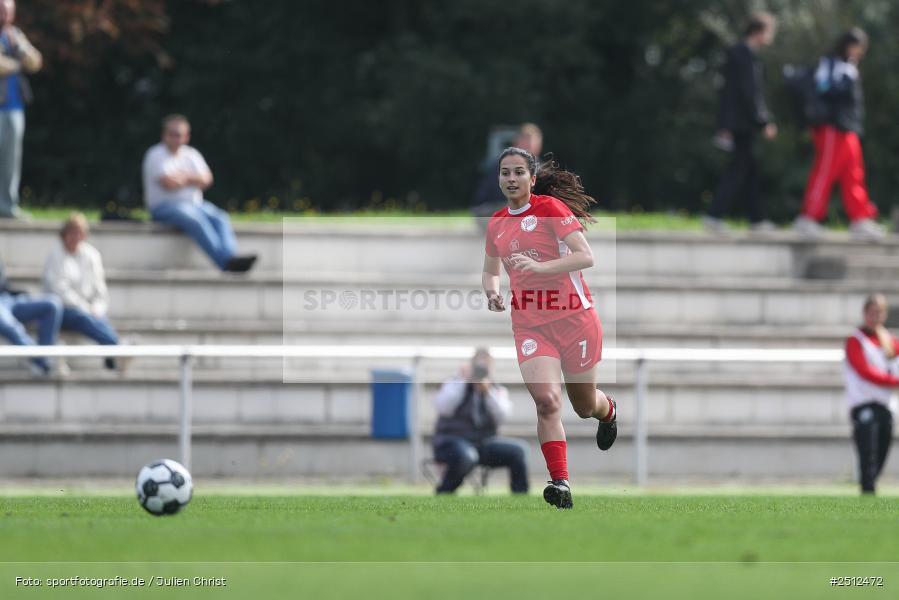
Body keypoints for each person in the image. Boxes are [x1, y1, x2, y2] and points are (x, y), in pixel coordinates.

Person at [482, 146, 616, 509]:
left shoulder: (550, 210)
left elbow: (586, 256)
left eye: (518, 173)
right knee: (547, 401)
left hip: (575, 320)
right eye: (505, 173)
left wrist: (541, 268)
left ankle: (609, 411)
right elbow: (491, 270)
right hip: (530, 325)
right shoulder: (496, 223)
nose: (511, 179)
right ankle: (561, 483)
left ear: (532, 177)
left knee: (585, 407)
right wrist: (493, 292)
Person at [794, 29, 884, 241]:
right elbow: (823, 89)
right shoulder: (831, 64)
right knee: (825, 172)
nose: (860, 52)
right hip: (832, 128)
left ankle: (860, 219)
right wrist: (844, 78)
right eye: (858, 47)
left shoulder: (849, 66)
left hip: (848, 128)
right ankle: (808, 218)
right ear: (847, 45)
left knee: (853, 174)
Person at [142, 114, 258, 272]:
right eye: (172, 134)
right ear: (164, 135)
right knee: (195, 219)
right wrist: (193, 178)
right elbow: (169, 183)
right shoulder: (155, 154)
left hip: (195, 205)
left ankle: (231, 257)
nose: (176, 138)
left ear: (187, 136)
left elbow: (207, 180)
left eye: (179, 135)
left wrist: (184, 177)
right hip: (164, 207)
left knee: (220, 217)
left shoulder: (191, 154)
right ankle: (226, 263)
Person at [705, 12, 778, 234]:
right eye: (769, 32)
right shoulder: (744, 55)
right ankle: (714, 216)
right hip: (741, 124)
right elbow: (749, 92)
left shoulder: (739, 53)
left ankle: (756, 220)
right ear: (759, 32)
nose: (771, 37)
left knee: (749, 169)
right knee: (739, 170)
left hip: (736, 123)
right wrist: (763, 120)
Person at [432, 348, 529, 495]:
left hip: (482, 443)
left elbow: (503, 415)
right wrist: (464, 380)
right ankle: (444, 492)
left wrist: (487, 391)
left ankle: (521, 496)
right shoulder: (455, 383)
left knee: (518, 451)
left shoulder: (495, 389)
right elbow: (444, 407)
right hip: (452, 442)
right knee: (467, 456)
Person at [42, 213, 122, 370]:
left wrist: (97, 308)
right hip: (64, 310)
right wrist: (85, 307)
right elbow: (59, 291)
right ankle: (115, 346)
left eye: (79, 232)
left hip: (88, 309)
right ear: (64, 234)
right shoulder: (55, 256)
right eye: (72, 232)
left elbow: (100, 291)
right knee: (83, 317)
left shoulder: (92, 255)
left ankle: (113, 349)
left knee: (98, 317)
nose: (75, 237)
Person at [843, 294, 898, 495]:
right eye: (872, 312)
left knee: (882, 451)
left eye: (879, 312)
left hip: (885, 405)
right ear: (865, 313)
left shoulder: (890, 342)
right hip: (864, 404)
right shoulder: (855, 340)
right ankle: (868, 491)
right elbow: (865, 371)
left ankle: (870, 484)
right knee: (868, 452)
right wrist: (894, 381)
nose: (875, 316)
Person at [0, 0, 41, 219]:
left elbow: (35, 61)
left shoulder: (16, 36)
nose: (4, 16)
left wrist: (20, 51)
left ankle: (7, 206)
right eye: (0, 11)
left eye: (7, 11)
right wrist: (17, 63)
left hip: (15, 108)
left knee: (11, 161)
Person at [0, 256, 61, 375]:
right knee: (9, 325)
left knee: (52, 305)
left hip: (8, 298)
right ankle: (39, 359)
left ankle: (43, 356)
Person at [472, 123, 543, 223]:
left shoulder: (542, 170)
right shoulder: (501, 166)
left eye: (531, 145)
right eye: (525, 144)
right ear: (516, 144)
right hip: (493, 210)